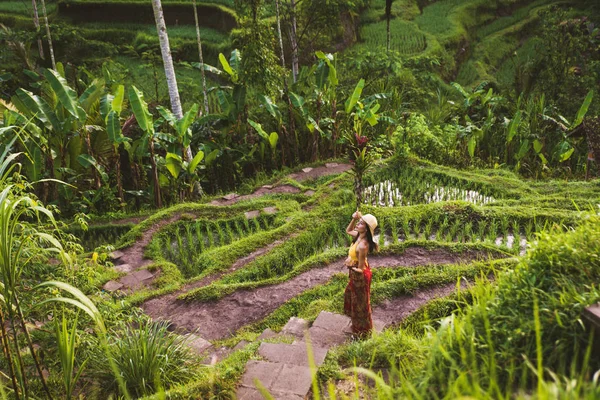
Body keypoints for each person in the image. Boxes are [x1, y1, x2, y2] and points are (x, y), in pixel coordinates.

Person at [343, 210, 378, 338]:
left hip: (361, 276)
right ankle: (359, 328)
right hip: (356, 275)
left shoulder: (363, 245)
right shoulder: (358, 236)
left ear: (366, 229)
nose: (358, 224)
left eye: (361, 223)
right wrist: (353, 218)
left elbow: (361, 269)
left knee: (360, 306)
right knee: (351, 297)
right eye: (359, 222)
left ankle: (361, 333)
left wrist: (349, 265)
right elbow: (348, 230)